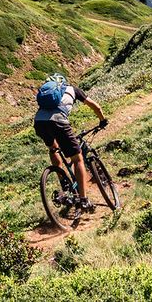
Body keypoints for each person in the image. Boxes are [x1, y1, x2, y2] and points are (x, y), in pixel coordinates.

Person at [34, 73, 106, 209]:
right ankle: (83, 199)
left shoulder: (46, 94)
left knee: (53, 148)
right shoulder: (73, 90)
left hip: (39, 122)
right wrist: (102, 120)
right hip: (59, 122)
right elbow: (95, 107)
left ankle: (64, 182)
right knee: (77, 158)